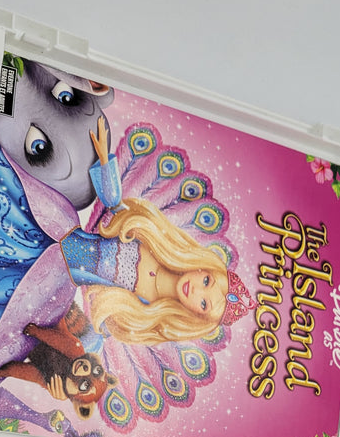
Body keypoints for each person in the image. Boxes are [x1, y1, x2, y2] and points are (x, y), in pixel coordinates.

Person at [57, 120, 244, 346]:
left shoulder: (146, 312)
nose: (197, 290)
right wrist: (105, 161)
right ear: (204, 268)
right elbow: (116, 206)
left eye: (204, 303)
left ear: (196, 317)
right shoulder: (156, 241)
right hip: (63, 231)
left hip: (57, 273)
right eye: (206, 281)